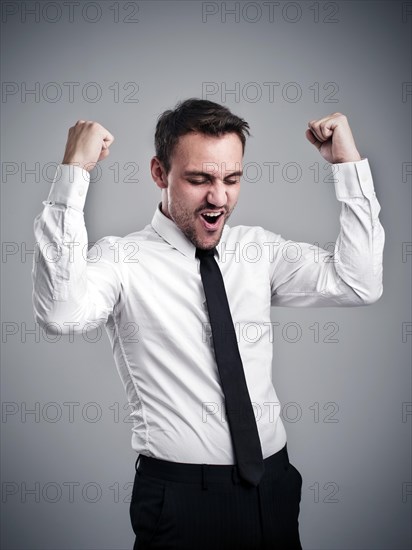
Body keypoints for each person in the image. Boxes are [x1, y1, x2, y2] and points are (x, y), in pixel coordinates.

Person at [32, 99, 385, 549]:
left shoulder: (259, 251)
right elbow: (60, 313)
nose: (218, 198)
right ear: (160, 174)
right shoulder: (121, 260)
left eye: (231, 179)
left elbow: (359, 283)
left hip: (273, 486)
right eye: (200, 180)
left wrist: (348, 167)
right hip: (180, 501)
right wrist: (73, 174)